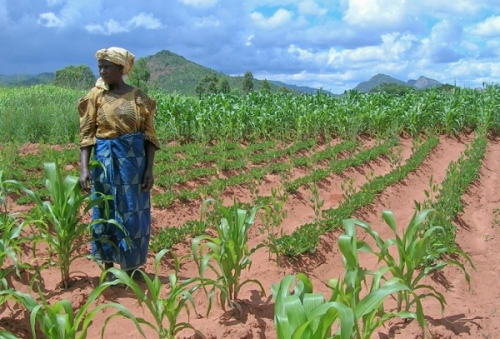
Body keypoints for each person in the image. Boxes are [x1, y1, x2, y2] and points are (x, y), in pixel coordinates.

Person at [78, 47, 160, 281]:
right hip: (104, 162)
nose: (102, 71)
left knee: (133, 212)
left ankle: (132, 268)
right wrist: (85, 168)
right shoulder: (96, 95)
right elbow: (87, 135)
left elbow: (150, 136)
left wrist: (149, 170)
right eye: (100, 67)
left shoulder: (138, 97)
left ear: (121, 69)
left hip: (133, 164)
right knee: (105, 211)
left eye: (107, 67)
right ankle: (108, 269)